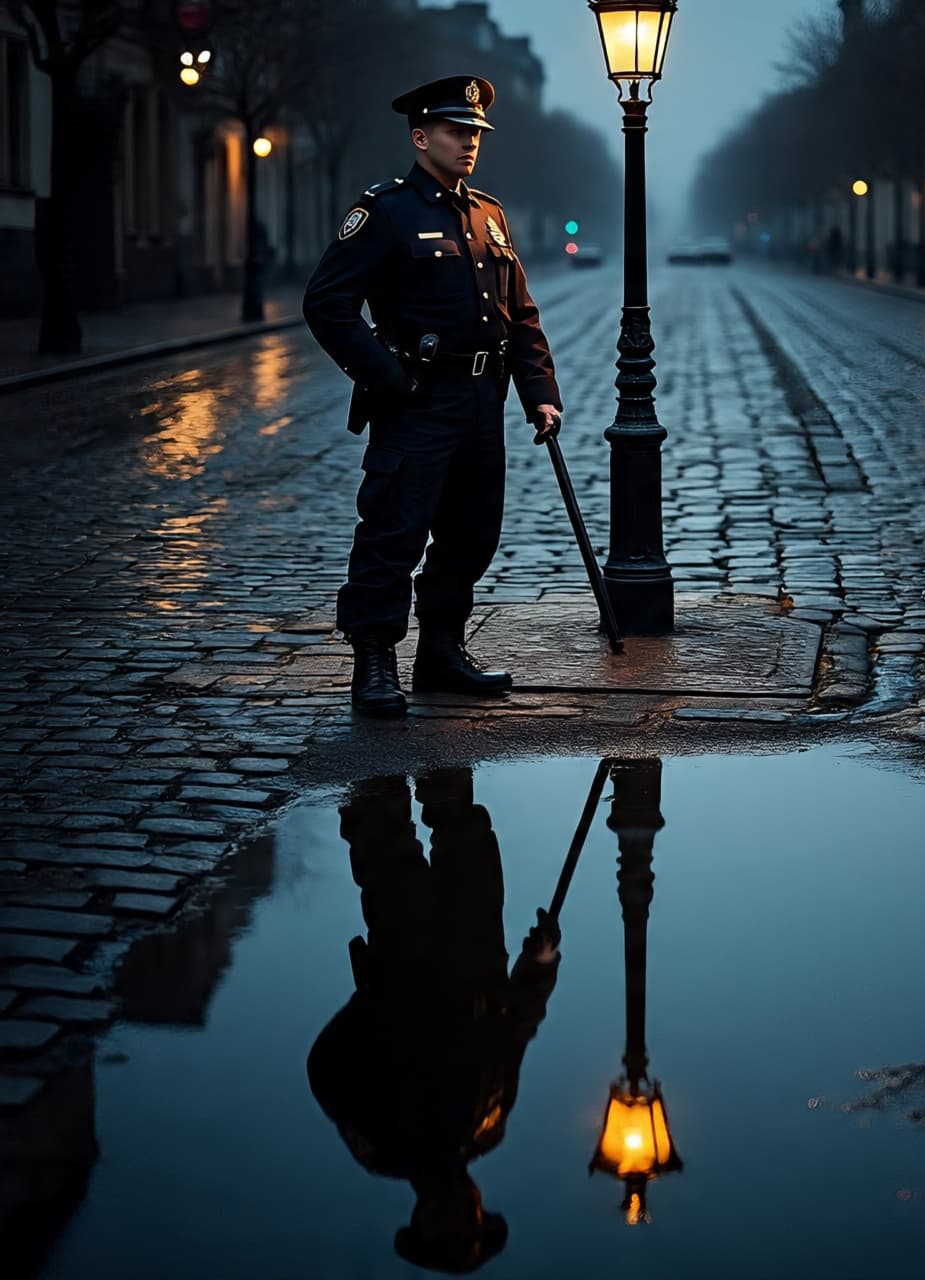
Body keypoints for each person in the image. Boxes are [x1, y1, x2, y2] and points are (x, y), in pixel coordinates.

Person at [303, 76, 563, 718]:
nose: (469, 142)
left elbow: (520, 314)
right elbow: (327, 304)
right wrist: (387, 377)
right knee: (393, 533)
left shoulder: (488, 214)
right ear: (421, 137)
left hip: (483, 402)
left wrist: (540, 394)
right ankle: (374, 663)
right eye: (455, 131)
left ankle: (441, 654)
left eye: (475, 132)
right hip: (418, 402)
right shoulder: (386, 212)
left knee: (472, 535)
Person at [307, 770, 561, 1273]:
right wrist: (540, 965)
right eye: (472, 1220)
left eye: (448, 1227)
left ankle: (373, 742)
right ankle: (442, 727)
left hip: (406, 953)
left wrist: (375, 1005)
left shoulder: (382, 1148)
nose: (463, 1212)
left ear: (420, 1219)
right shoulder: (490, 1128)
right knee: (462, 824)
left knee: (381, 829)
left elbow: (326, 1070)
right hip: (478, 944)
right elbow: (515, 1032)